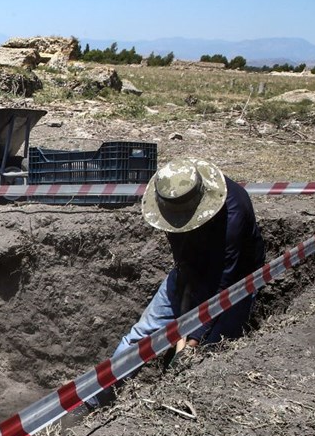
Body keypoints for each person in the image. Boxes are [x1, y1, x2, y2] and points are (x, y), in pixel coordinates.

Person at [111, 158, 266, 369]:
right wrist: (185, 287)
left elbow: (223, 281)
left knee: (213, 351)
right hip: (191, 268)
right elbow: (180, 250)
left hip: (236, 281)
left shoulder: (233, 216)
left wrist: (193, 338)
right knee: (141, 335)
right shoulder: (169, 199)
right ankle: (96, 399)